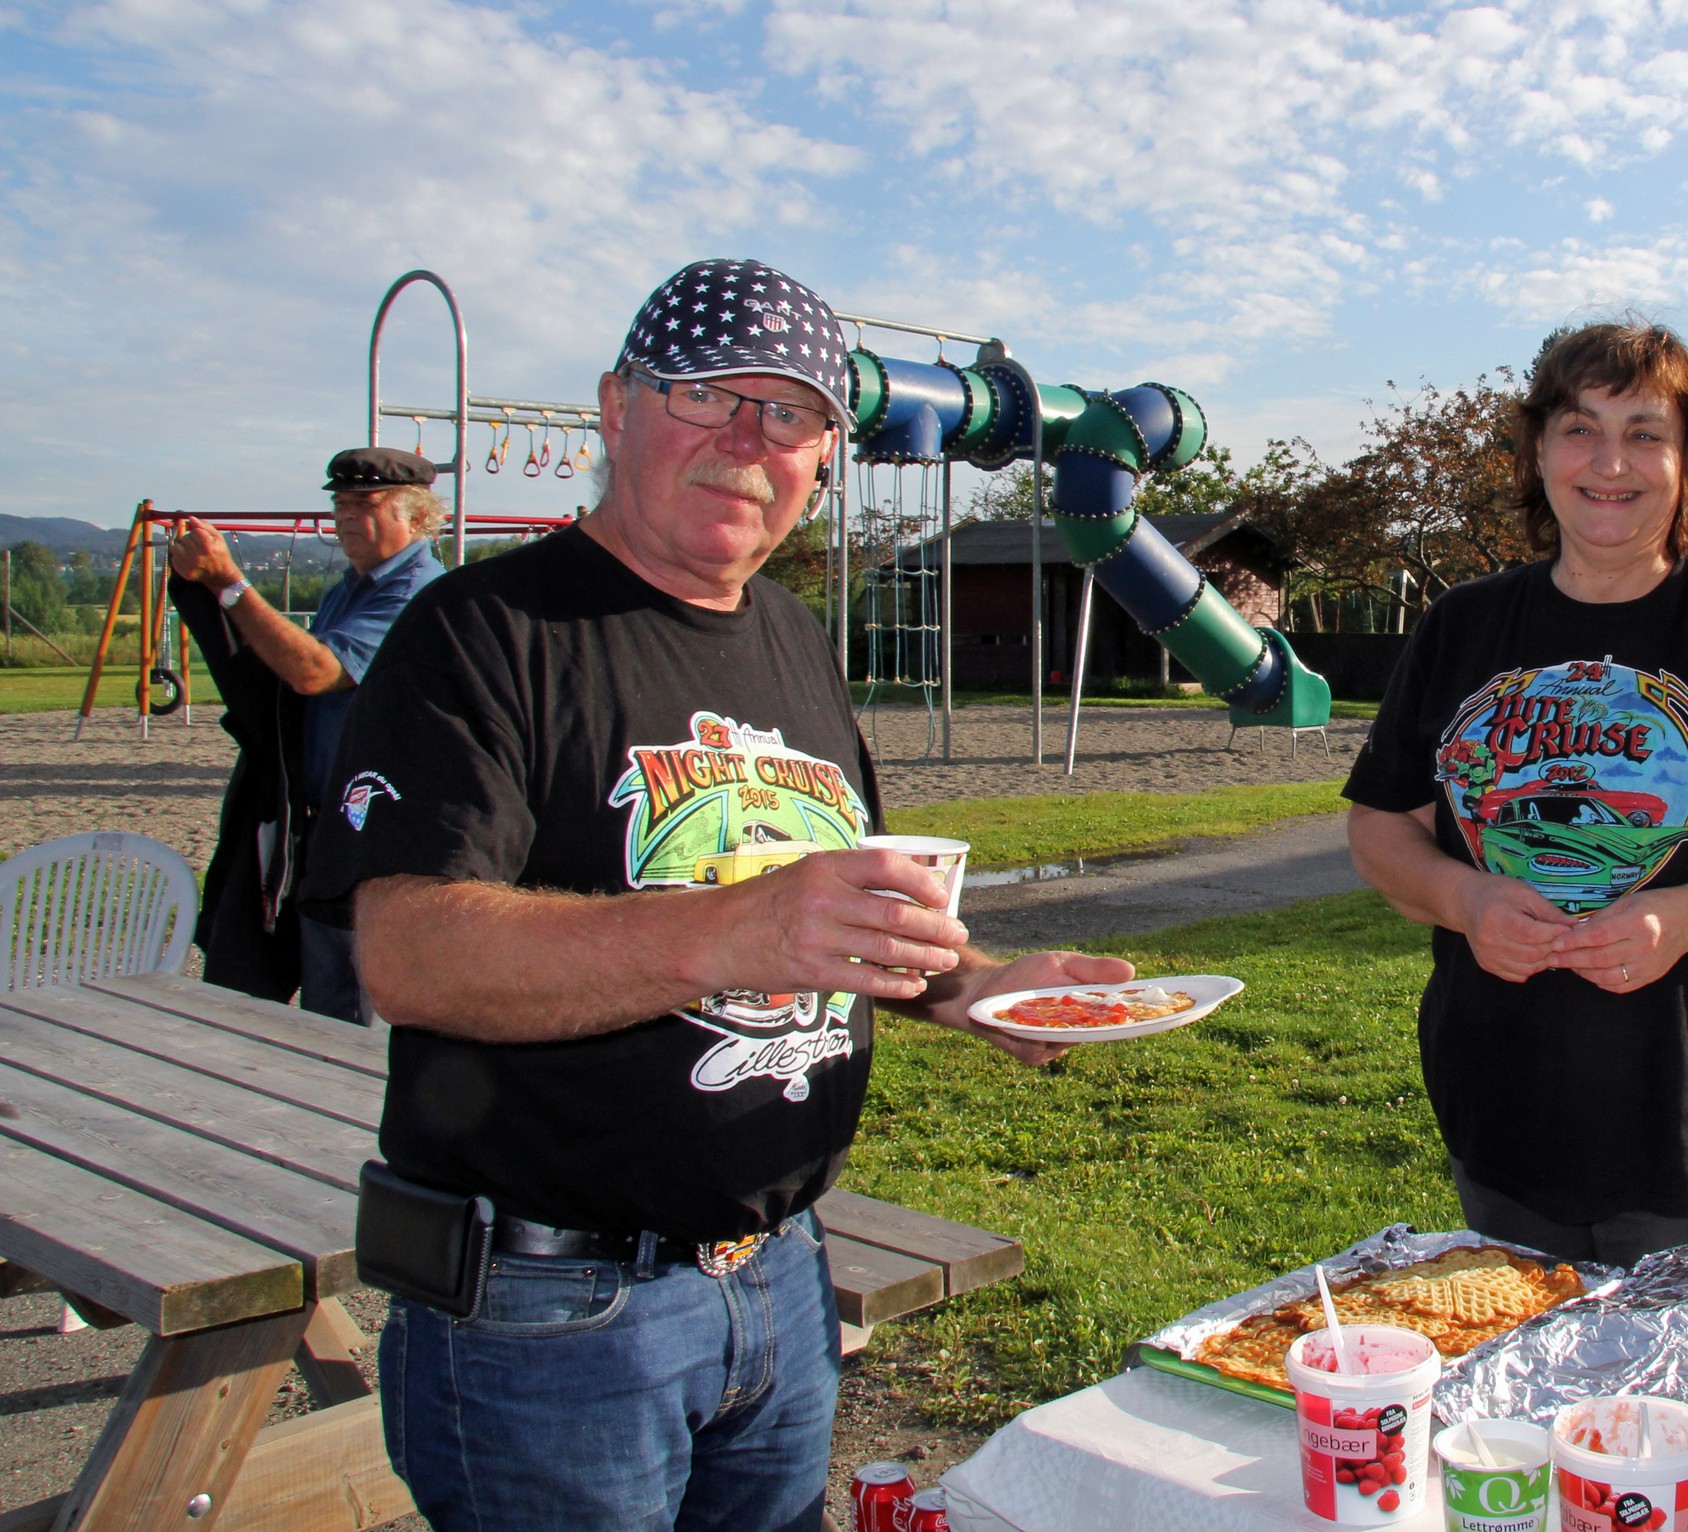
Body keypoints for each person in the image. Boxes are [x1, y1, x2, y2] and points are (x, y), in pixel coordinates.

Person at [299, 257, 1132, 1532]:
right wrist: (735, 927)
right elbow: (407, 954)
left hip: (782, 1279)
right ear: (616, 406)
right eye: (706, 394)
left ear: (823, 456)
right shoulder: (482, 630)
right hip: (551, 1314)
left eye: (790, 414)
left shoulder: (793, 636)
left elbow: (834, 913)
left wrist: (975, 987)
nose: (748, 440)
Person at [1343, 320, 1688, 1267]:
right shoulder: (1462, 625)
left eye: (1646, 433)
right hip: (1500, 1126)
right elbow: (1381, 825)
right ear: (1538, 451)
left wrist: (1684, 917)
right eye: (1580, 428)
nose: (1611, 463)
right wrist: (1466, 899)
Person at [168, 448, 445, 1021]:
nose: (346, 517)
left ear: (417, 515)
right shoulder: (352, 587)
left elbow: (315, 672)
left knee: (354, 1004)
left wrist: (230, 585)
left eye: (364, 504)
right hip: (330, 821)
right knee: (322, 992)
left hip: (377, 832)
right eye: (340, 504)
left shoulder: (415, 591)